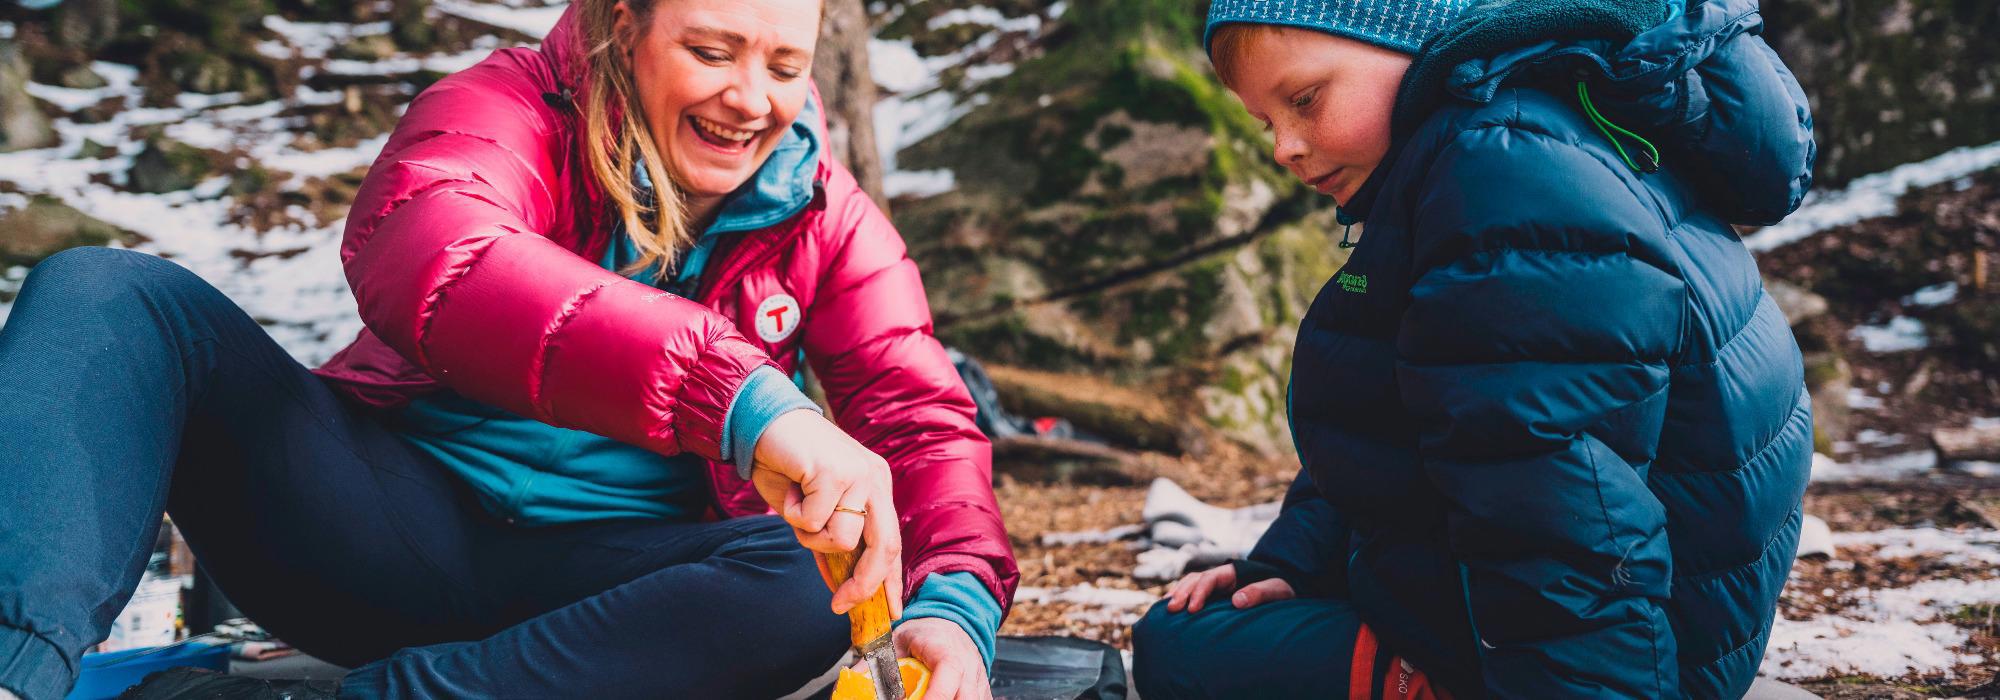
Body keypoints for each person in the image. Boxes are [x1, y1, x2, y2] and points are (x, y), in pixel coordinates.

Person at [0, 0, 1016, 697]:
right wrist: (746, 400)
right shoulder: (504, 111)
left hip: (612, 599)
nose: (752, 99)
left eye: (784, 67)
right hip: (374, 525)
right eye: (713, 52)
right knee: (108, 293)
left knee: (814, 579)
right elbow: (436, 251)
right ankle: (17, 666)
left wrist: (954, 602)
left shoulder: (828, 219)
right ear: (626, 24)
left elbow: (920, 419)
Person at [1132, 0, 1817, 697]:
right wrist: (1296, 562)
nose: (1284, 147)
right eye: (1267, 122)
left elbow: (1559, 516)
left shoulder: (1501, 179)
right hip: (1641, 617)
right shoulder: (1503, 139)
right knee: (1203, 628)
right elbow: (1394, 421)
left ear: (1416, 36)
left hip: (1629, 653)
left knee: (1182, 651)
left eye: (1305, 100)